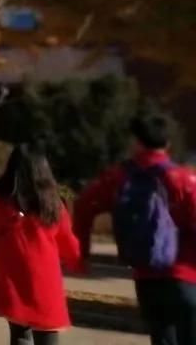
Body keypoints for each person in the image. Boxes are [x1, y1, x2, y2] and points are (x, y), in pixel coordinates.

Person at [75, 115, 196, 345]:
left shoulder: (118, 176)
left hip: (146, 277)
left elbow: (83, 205)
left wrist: (82, 253)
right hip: (187, 278)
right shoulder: (184, 179)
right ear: (168, 144)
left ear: (136, 142)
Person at [0, 144, 81, 345]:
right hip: (45, 285)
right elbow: (69, 244)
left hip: (10, 280)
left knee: (20, 333)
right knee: (47, 337)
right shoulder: (53, 204)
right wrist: (78, 262)